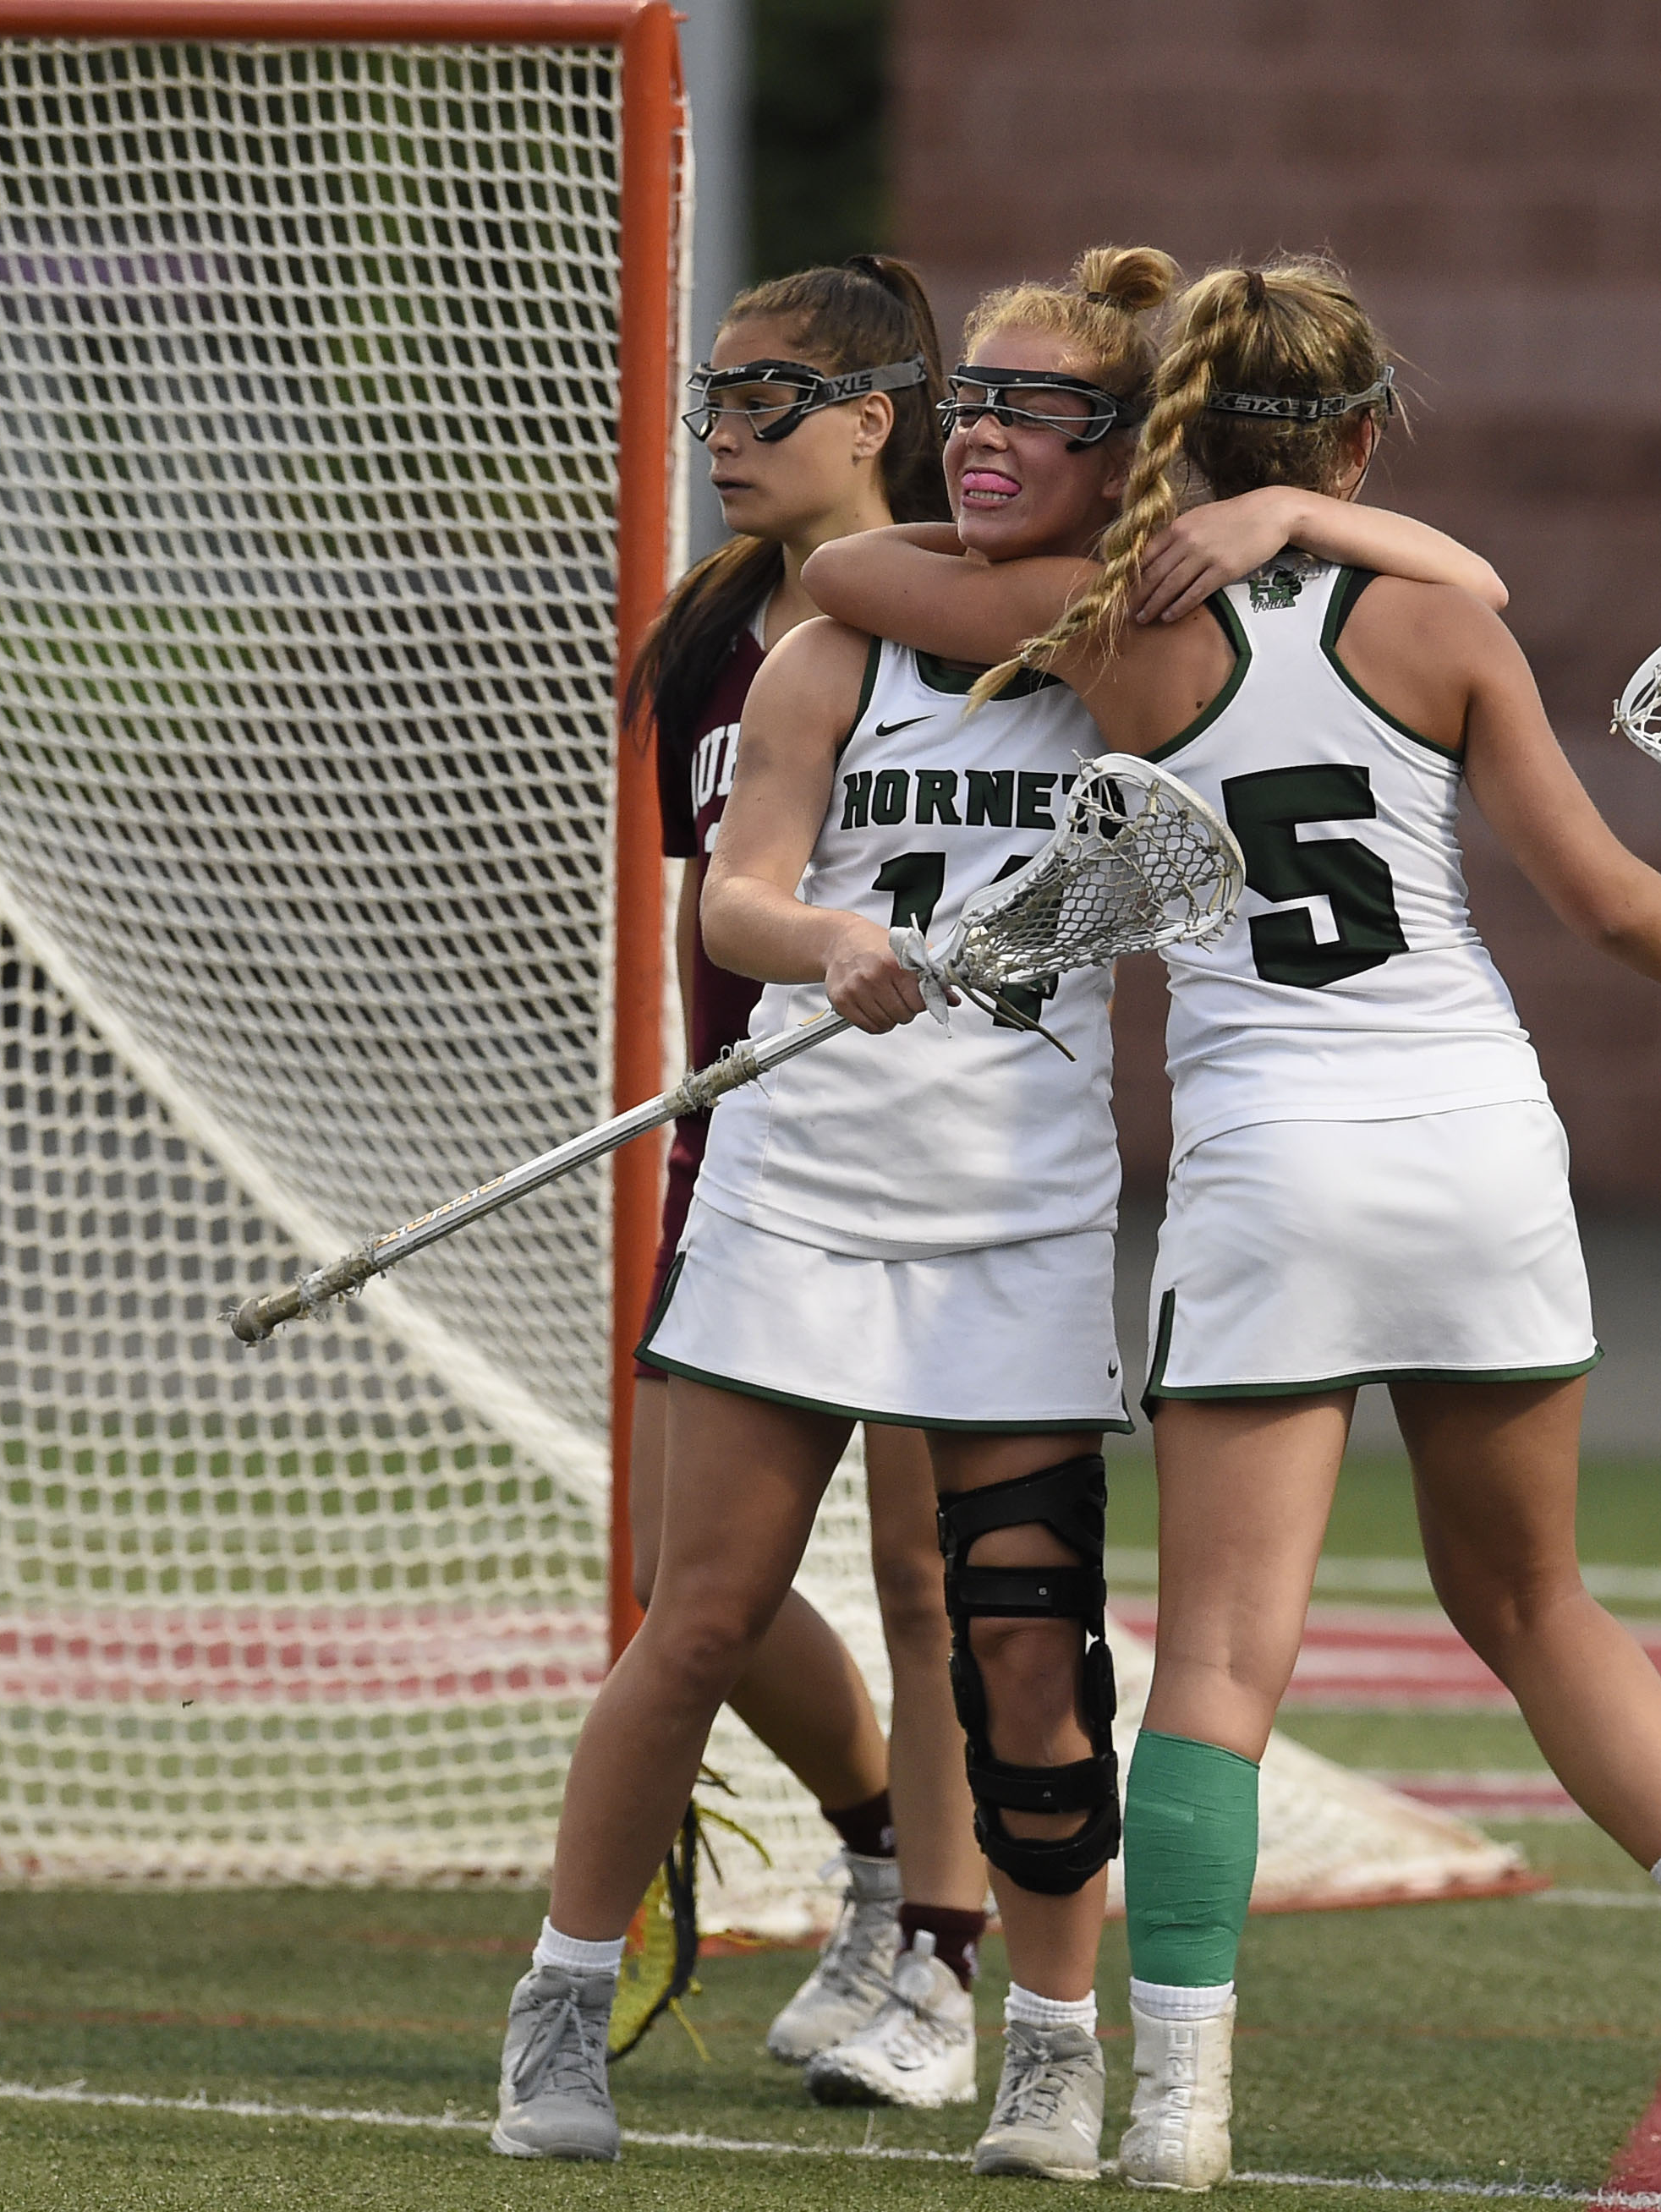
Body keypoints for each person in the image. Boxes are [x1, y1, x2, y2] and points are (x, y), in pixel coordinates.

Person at [805, 255, 1661, 2188]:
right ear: (1363, 439)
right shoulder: (1440, 618)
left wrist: (1168, 523)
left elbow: (845, 576)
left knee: (1223, 1660)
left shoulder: (1100, 617)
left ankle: (1175, 2109)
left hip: (1274, 1165)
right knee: (1537, 1603)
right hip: (1476, 1142)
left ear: (1166, 434)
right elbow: (1605, 899)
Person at [493, 245, 1508, 2173]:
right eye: (975, 401)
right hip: (798, 1196)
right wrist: (822, 940)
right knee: (696, 1619)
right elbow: (735, 896)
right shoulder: (836, 644)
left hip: (1020, 1225)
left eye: (1044, 413)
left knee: (1028, 1649)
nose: (986, 437)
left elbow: (1461, 583)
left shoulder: (1136, 656)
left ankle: (1046, 2048)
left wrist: (1284, 511)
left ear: (1125, 449)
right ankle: (557, 2006)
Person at [621, 252, 991, 2093]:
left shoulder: (977, 617)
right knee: (684, 1581)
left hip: (935, 1158)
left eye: (764, 397)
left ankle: (945, 1963)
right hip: (747, 1148)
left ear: (871, 421)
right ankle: (878, 1849)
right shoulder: (708, 635)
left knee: (928, 1576)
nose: (722, 431)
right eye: (713, 394)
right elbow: (712, 909)